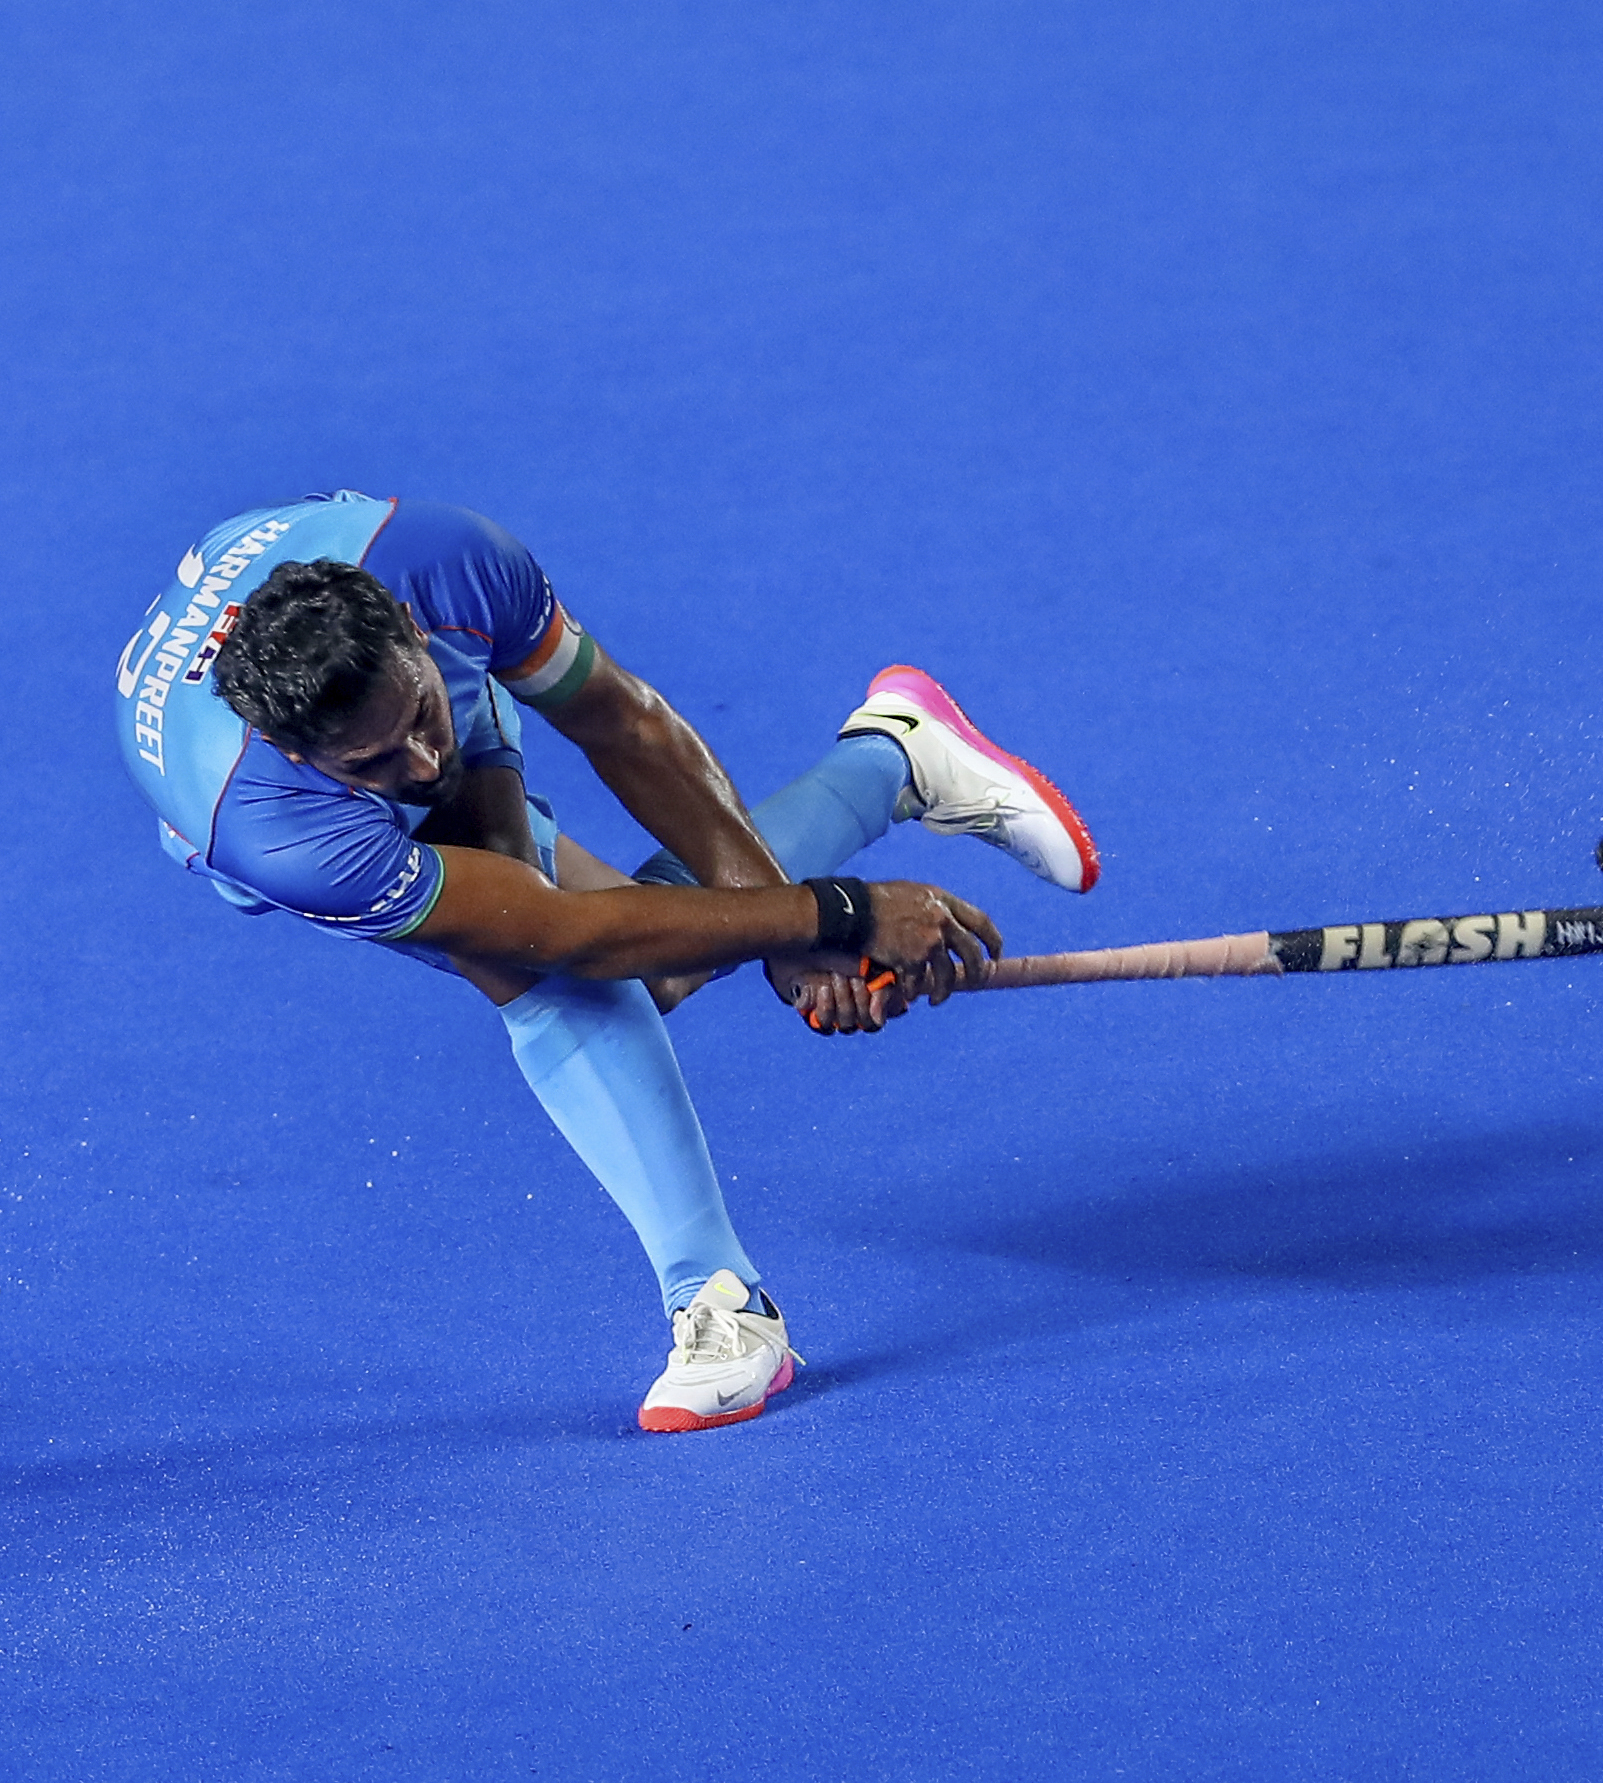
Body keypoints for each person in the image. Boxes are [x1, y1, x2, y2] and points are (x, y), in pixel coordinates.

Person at [115, 491, 1099, 1427]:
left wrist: (805, 936)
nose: (420, 766)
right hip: (274, 821)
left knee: (585, 971)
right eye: (376, 763)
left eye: (421, 718)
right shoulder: (283, 831)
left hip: (363, 585)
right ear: (302, 756)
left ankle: (722, 1297)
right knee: (561, 961)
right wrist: (832, 917)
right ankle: (894, 760)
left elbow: (625, 723)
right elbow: (564, 934)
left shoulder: (448, 563)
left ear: (414, 635)